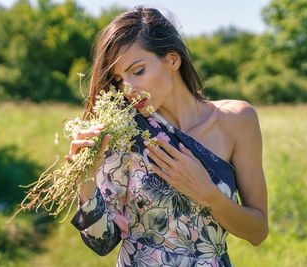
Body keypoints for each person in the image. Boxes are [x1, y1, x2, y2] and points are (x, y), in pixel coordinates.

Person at [68, 6, 268, 266]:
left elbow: (258, 232)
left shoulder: (238, 120)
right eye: (118, 80)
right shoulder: (123, 131)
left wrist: (209, 195)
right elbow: (101, 243)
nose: (127, 90)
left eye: (138, 71)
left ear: (173, 59)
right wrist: (85, 182)